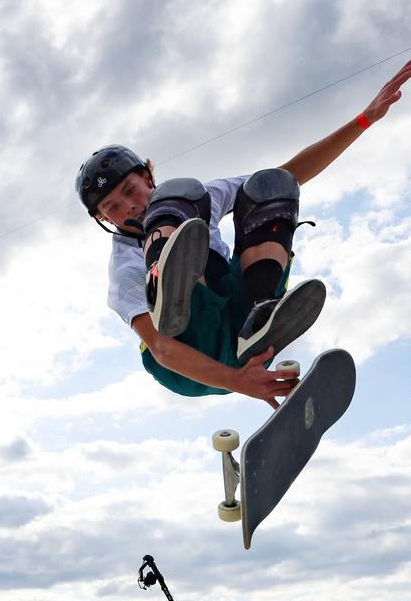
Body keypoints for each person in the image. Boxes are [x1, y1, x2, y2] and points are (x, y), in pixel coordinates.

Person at [75, 61, 411, 409]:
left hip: (240, 342)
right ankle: (167, 287)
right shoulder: (124, 270)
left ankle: (259, 316)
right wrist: (238, 382)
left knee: (261, 188)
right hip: (187, 356)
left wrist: (365, 119)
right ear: (103, 218)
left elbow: (286, 177)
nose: (128, 207)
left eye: (130, 191)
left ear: (147, 178)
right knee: (176, 201)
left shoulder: (198, 199)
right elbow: (161, 350)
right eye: (112, 208)